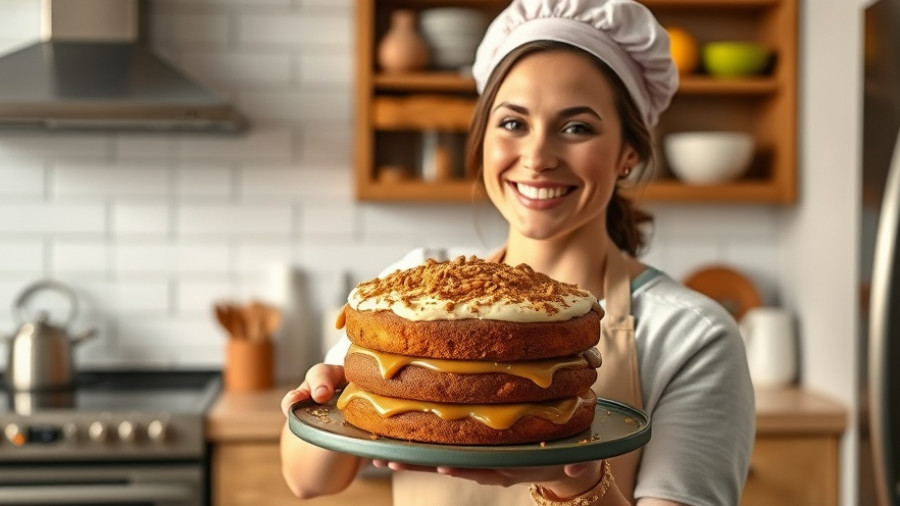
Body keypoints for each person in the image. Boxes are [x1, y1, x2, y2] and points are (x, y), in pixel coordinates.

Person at [280, 0, 755, 504]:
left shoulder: (691, 335)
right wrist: (340, 396)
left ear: (627, 155)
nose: (537, 157)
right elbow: (307, 481)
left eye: (577, 128)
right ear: (483, 136)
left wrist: (571, 480)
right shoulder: (409, 293)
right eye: (512, 123)